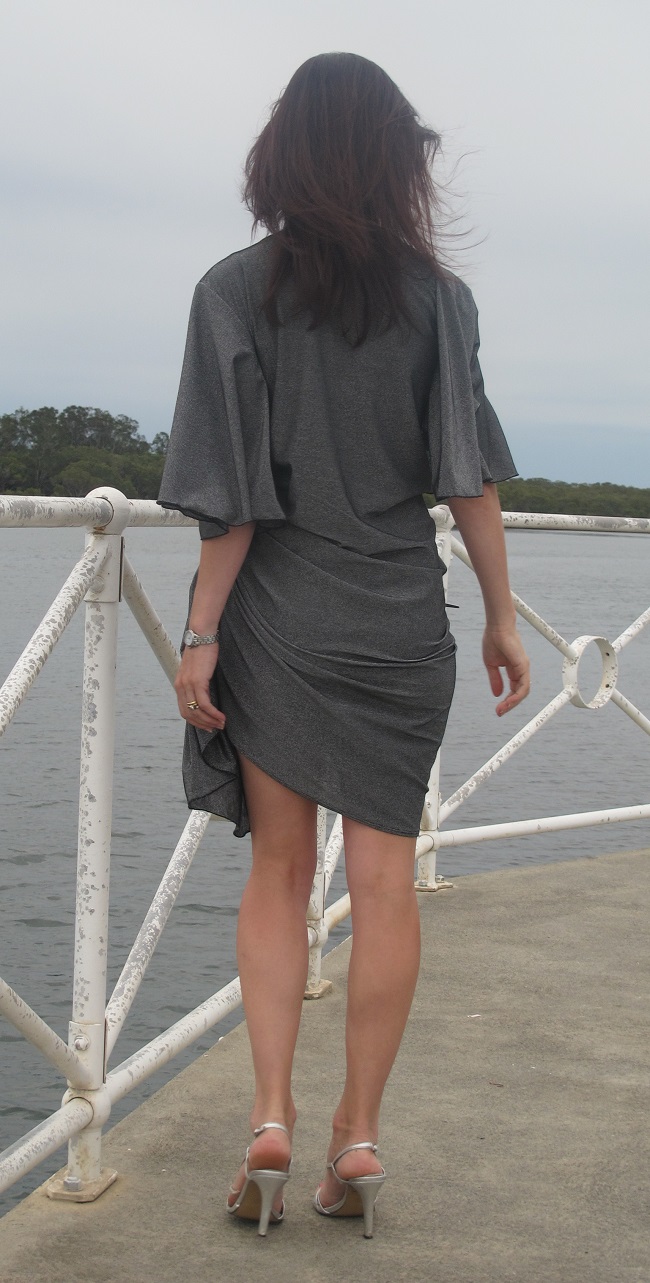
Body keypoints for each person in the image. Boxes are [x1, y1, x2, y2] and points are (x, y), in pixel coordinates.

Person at [158, 51, 530, 1239]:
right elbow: (465, 478)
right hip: (399, 624)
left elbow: (230, 501)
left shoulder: (231, 291)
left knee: (278, 869)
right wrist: (501, 614)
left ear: (281, 153)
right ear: (394, 160)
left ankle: (268, 1117)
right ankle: (355, 1137)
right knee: (381, 880)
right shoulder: (439, 301)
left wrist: (199, 634)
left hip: (278, 619)